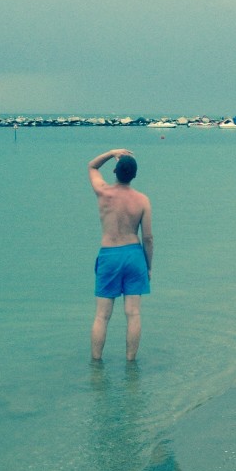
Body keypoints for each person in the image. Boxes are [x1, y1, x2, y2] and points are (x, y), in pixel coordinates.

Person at [87, 148, 154, 361]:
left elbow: (92, 166)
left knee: (102, 316)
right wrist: (149, 266)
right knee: (133, 314)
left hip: (109, 255)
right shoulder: (142, 200)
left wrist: (111, 152)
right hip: (134, 256)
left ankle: (96, 364)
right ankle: (130, 362)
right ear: (134, 175)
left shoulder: (103, 192)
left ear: (115, 171)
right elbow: (149, 238)